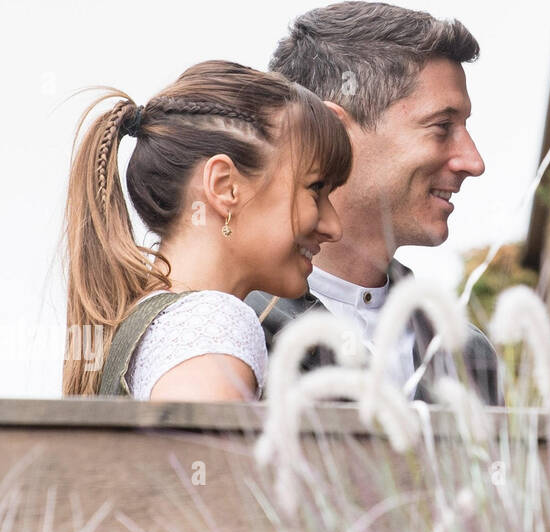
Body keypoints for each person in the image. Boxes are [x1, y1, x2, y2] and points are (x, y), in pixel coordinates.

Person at [245, 2, 501, 404]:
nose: (473, 162)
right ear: (332, 131)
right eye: (441, 127)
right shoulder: (237, 332)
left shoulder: (468, 354)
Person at [63, 60, 352, 400]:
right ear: (224, 187)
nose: (333, 227)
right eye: (315, 188)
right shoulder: (213, 328)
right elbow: (198, 454)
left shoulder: (145, 325)